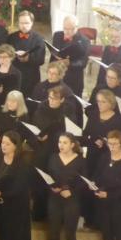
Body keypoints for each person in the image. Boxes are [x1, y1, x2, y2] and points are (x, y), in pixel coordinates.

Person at [80, 89, 121, 229]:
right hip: (92, 155)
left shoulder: (118, 120)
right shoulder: (94, 115)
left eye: (103, 101)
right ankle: (88, 217)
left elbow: (120, 141)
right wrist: (92, 141)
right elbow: (86, 134)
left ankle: (99, 219)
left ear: (111, 103)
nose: (99, 104)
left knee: (102, 183)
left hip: (107, 157)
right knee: (90, 183)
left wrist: (106, 143)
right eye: (98, 101)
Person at [46, 134, 87, 240]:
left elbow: (84, 182)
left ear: (72, 145)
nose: (61, 145)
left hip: (72, 200)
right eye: (59, 142)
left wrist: (71, 191)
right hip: (55, 199)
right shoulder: (53, 157)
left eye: (64, 142)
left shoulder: (81, 160)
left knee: (70, 234)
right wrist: (52, 187)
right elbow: (48, 177)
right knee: (54, 233)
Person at [30, 86, 73, 220]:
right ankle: (39, 213)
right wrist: (38, 137)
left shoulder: (68, 111)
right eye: (50, 98)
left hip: (58, 154)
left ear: (62, 99)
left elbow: (72, 132)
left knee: (56, 182)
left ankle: (55, 217)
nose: (51, 101)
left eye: (55, 99)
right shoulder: (40, 109)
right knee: (41, 181)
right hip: (42, 152)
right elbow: (33, 129)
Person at [5, 10, 45, 97]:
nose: (23, 26)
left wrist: (28, 58)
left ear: (32, 23)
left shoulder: (39, 39)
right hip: (14, 75)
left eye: (26, 23)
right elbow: (6, 55)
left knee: (29, 104)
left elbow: (41, 60)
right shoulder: (11, 37)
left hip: (31, 77)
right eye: (21, 23)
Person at [49, 14, 90, 96]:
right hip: (57, 77)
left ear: (77, 27)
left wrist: (69, 63)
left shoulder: (84, 41)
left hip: (73, 79)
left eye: (71, 29)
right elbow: (53, 54)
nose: (67, 31)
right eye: (65, 28)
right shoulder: (57, 35)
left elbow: (83, 62)